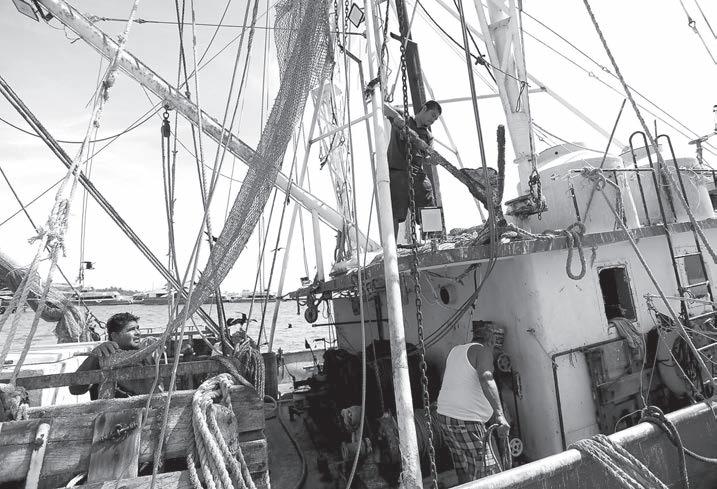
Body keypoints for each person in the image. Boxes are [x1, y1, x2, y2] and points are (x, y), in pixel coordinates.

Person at [436, 322, 510, 484]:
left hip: (444, 417)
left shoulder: (455, 351)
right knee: (486, 472)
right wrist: (500, 415)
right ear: (490, 341)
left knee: (464, 467)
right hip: (466, 419)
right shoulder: (483, 350)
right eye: (494, 345)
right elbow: (487, 378)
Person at [69, 312, 158, 399]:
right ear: (115, 336)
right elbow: (75, 390)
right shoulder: (103, 354)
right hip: (109, 407)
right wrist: (94, 358)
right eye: (131, 329)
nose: (138, 332)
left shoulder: (145, 355)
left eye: (138, 328)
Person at [387, 100, 442, 236]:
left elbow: (427, 157)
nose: (433, 120)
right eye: (433, 115)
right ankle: (391, 244)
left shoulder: (428, 136)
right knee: (393, 211)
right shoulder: (403, 117)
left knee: (428, 199)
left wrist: (432, 160)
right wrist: (396, 117)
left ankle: (432, 241)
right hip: (397, 172)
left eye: (436, 118)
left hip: (416, 174)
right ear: (424, 109)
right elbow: (382, 106)